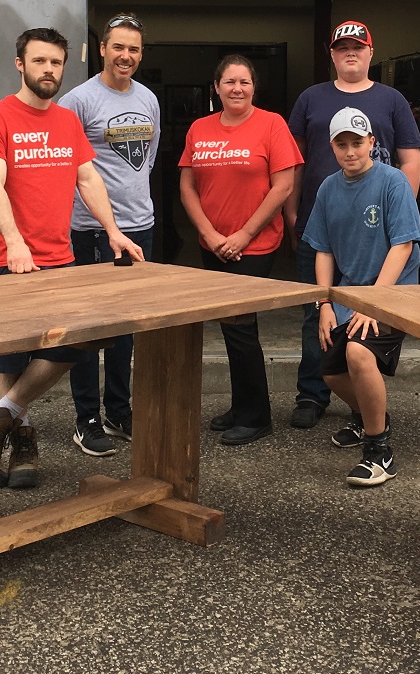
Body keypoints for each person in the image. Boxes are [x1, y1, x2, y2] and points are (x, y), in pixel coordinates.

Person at [0, 27, 144, 489]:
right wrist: (15, 242)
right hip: (7, 259)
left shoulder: (66, 122)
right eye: (40, 61)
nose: (49, 70)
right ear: (20, 64)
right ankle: (19, 440)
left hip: (59, 258)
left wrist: (113, 231)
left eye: (56, 63)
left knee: (76, 342)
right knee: (9, 359)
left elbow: (88, 180)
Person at [283, 20, 420, 431]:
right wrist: (293, 213)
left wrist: (398, 215)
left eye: (357, 47)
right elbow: (296, 160)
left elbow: (410, 159)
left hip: (379, 230)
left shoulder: (391, 99)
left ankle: (372, 425)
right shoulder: (311, 98)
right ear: (332, 53)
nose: (350, 52)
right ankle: (313, 395)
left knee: (360, 341)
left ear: (369, 52)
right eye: (342, 47)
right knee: (319, 316)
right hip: (323, 224)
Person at [178, 55, 302, 446]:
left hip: (256, 245)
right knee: (230, 329)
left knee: (241, 328)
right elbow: (187, 187)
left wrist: (244, 235)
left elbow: (282, 187)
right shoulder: (199, 128)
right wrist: (210, 234)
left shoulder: (272, 124)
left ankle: (255, 417)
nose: (237, 88)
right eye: (229, 82)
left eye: (244, 82)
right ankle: (242, 404)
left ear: (254, 87)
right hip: (212, 245)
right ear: (216, 87)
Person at [58, 14, 161, 458]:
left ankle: (119, 409)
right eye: (119, 47)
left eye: (134, 49)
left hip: (140, 225)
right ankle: (87, 419)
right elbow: (67, 167)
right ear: (102, 49)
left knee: (127, 326)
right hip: (91, 229)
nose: (126, 56)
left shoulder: (149, 99)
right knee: (89, 325)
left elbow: (148, 159)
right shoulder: (78, 101)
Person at [302, 108, 420, 487]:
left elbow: (403, 246)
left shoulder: (393, 182)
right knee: (331, 369)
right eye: (342, 144)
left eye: (358, 142)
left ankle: (379, 451)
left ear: (372, 142)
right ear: (332, 147)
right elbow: (323, 250)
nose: (351, 151)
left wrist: (371, 304)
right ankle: (368, 417)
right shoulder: (327, 188)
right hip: (348, 293)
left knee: (358, 352)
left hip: (391, 292)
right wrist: (324, 303)